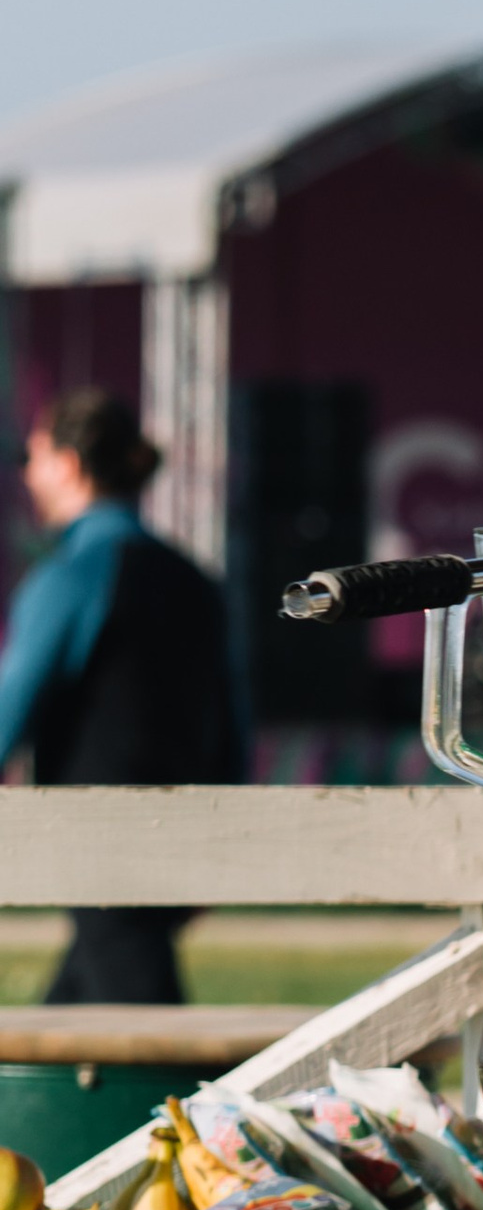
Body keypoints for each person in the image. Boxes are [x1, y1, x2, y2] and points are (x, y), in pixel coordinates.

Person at [3, 388, 243, 1003]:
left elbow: (11, 706)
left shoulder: (73, 574)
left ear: (70, 465)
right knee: (80, 1010)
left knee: (141, 1029)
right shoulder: (197, 581)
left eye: (33, 458)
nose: (27, 476)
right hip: (181, 835)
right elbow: (233, 720)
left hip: (98, 839)